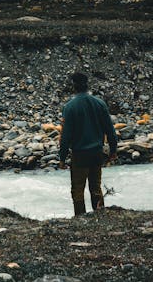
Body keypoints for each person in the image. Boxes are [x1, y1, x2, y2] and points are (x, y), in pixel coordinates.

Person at [58, 71, 117, 216]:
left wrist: (62, 158)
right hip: (96, 152)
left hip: (79, 154)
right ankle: (100, 216)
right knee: (95, 187)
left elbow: (65, 136)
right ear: (86, 85)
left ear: (74, 86)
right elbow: (110, 130)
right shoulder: (99, 103)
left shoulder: (69, 107)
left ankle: (80, 219)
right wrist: (113, 151)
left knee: (78, 190)